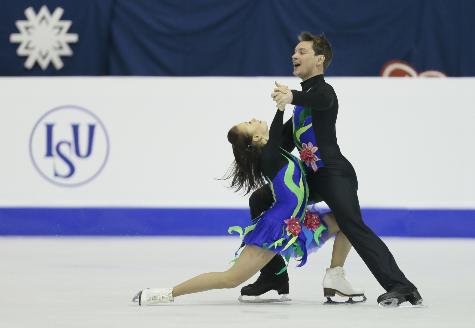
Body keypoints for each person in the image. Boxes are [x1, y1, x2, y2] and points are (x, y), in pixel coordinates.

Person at [132, 110, 348, 305]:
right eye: (249, 122)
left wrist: (300, 101)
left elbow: (287, 130)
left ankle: (335, 275)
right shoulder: (269, 157)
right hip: (276, 227)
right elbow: (275, 133)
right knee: (230, 278)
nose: (253, 118)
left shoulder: (274, 151)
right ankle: (164, 293)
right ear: (256, 138)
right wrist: (280, 108)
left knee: (348, 222)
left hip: (297, 223)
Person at [269, 31, 422, 307]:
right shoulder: (299, 106)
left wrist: (291, 96)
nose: (294, 55)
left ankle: (402, 287)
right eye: (294, 51)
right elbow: (276, 145)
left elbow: (321, 101)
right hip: (311, 177)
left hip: (335, 173)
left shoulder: (323, 91)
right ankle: (272, 276)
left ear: (319, 59)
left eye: (302, 51)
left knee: (353, 226)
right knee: (262, 199)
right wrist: (256, 133)